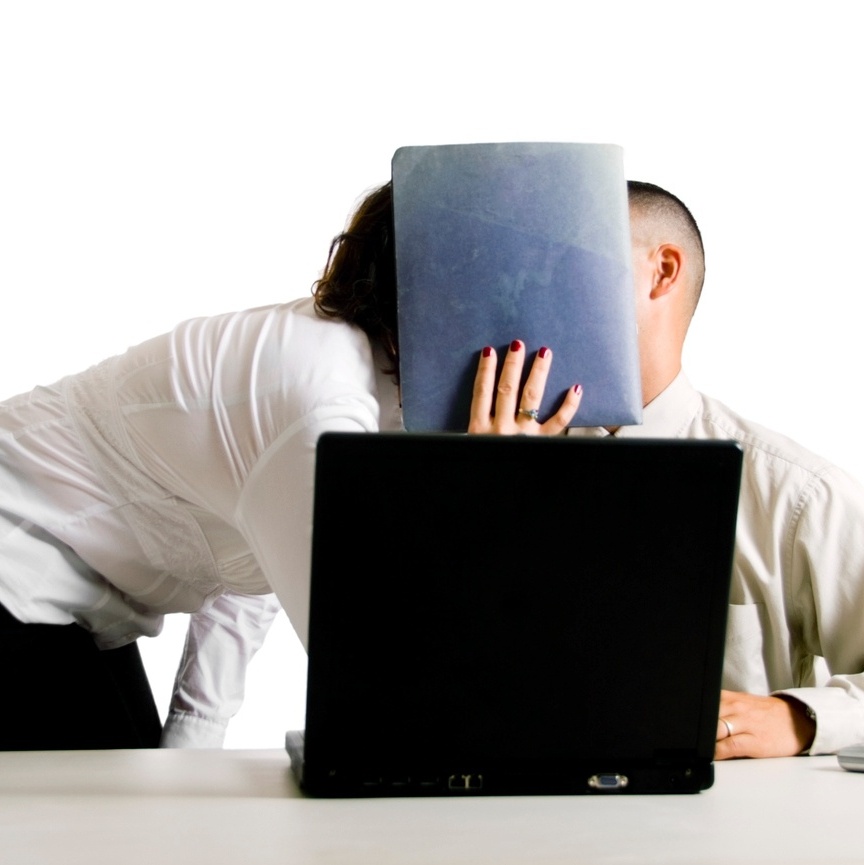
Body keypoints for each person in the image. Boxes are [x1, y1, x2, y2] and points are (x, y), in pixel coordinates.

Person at [470, 180, 864, 760]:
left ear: (663, 271)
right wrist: (481, 499)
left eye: (566, 258)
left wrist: (802, 719)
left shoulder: (798, 495)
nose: (531, 285)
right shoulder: (472, 466)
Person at [0, 183, 403, 749]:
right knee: (109, 800)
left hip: (73, 584)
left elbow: (257, 554)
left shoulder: (372, 387)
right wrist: (492, 474)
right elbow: (372, 669)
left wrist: (195, 735)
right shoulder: (322, 394)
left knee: (137, 790)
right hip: (19, 548)